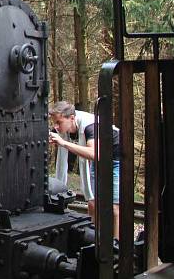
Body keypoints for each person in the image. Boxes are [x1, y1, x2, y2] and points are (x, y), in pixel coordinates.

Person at [48, 101, 121, 238]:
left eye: (59, 123)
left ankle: (116, 245)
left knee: (113, 208)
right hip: (97, 162)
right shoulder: (64, 127)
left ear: (72, 118)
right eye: (54, 123)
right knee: (93, 203)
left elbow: (94, 153)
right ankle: (95, 239)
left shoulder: (90, 126)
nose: (55, 127)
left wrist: (64, 143)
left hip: (115, 158)